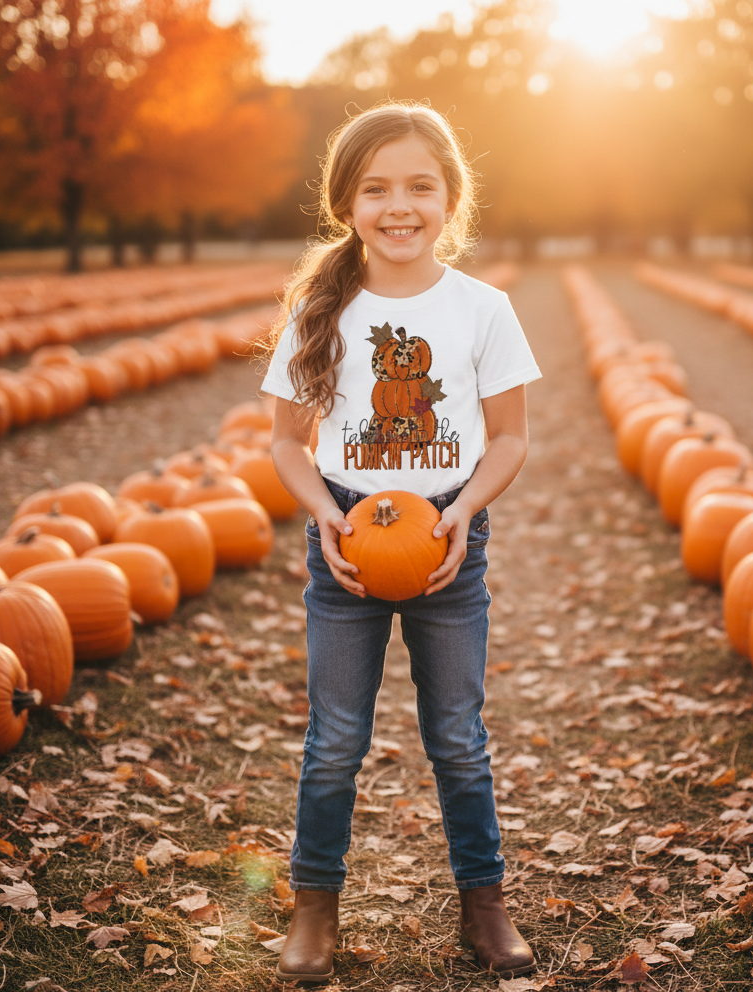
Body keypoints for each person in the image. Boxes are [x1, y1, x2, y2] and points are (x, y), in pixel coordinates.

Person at [261, 100, 541, 983]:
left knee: (457, 736)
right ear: (347, 203)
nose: (399, 206)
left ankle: (484, 902)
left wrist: (465, 511)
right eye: (377, 188)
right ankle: (314, 906)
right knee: (335, 739)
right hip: (347, 537)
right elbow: (286, 442)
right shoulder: (321, 309)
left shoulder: (483, 309)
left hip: (449, 536)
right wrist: (323, 514)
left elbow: (510, 439)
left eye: (421, 186)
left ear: (450, 198)